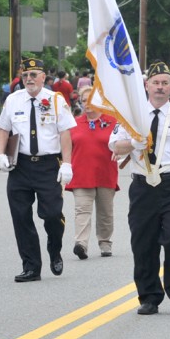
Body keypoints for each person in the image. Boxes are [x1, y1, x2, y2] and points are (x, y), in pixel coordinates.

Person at [109, 62, 170, 315]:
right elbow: (114, 147)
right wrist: (133, 142)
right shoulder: (131, 116)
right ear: (147, 85)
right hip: (143, 186)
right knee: (144, 243)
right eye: (156, 83)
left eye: (165, 83)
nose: (160, 87)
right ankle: (149, 296)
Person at [0, 57, 76, 283]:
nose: (29, 79)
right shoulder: (13, 100)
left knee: (51, 214)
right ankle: (31, 266)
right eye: (26, 76)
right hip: (20, 166)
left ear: (43, 78)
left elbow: (65, 134)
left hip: (48, 164)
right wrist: (1, 154)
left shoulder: (56, 100)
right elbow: (3, 128)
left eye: (34, 75)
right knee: (21, 216)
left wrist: (67, 164)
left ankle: (54, 247)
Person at [65, 86, 119, 259]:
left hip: (105, 173)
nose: (86, 104)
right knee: (82, 210)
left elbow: (122, 143)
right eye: (83, 100)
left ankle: (105, 242)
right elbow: (65, 147)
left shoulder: (112, 122)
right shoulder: (74, 123)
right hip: (81, 174)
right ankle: (81, 244)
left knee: (105, 212)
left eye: (90, 100)